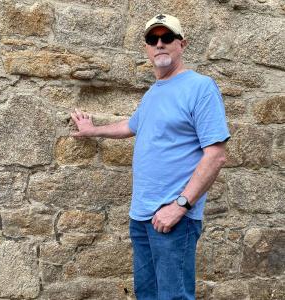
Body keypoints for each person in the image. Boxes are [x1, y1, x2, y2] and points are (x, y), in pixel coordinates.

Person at [71, 14, 230, 300]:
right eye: (152, 39)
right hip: (142, 216)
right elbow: (130, 126)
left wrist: (180, 205)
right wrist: (92, 130)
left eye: (167, 38)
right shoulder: (153, 93)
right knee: (147, 294)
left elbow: (216, 154)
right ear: (146, 48)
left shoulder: (200, 87)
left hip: (174, 217)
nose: (159, 44)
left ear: (182, 44)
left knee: (172, 296)